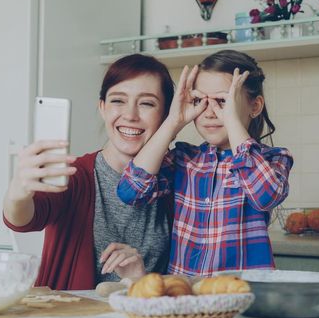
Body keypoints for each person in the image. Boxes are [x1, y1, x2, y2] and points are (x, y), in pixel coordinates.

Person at [3, 54, 174, 290]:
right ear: (102, 108)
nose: (131, 115)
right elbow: (22, 219)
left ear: (166, 116)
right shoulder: (76, 175)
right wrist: (17, 192)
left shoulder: (174, 182)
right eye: (117, 101)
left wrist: (140, 280)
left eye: (147, 103)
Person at [117, 50, 293, 277]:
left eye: (222, 101)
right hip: (187, 297)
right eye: (200, 101)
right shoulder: (184, 160)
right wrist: (173, 121)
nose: (210, 113)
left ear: (255, 106)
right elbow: (130, 191)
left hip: (245, 296)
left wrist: (231, 120)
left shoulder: (273, 159)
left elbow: (266, 195)